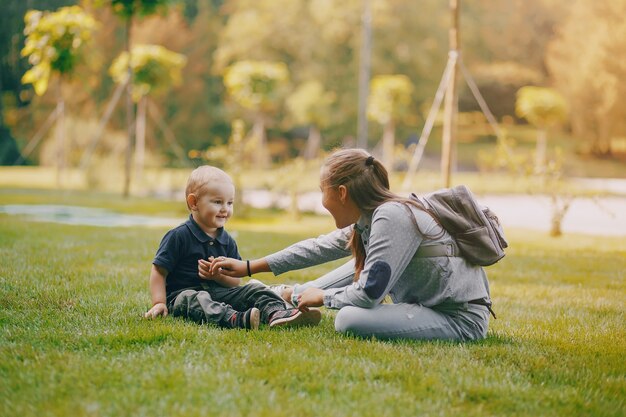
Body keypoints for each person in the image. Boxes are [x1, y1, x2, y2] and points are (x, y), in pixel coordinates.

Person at [202, 149, 493, 341]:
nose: (321, 199)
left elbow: (369, 294)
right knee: (350, 267)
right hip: (431, 306)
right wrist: (250, 267)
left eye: (322, 191)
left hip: (458, 320)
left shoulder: (392, 216)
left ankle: (294, 296)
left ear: (341, 193)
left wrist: (324, 299)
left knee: (348, 319)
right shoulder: (372, 218)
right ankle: (287, 297)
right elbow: (318, 248)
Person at [144, 165, 322, 330]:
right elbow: (159, 271)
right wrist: (159, 302)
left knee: (254, 288)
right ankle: (236, 318)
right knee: (197, 298)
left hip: (219, 293)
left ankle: (278, 313)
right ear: (194, 203)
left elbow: (235, 282)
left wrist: (218, 276)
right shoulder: (178, 236)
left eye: (229, 203)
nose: (225, 209)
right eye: (217, 202)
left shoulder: (227, 240)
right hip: (183, 297)